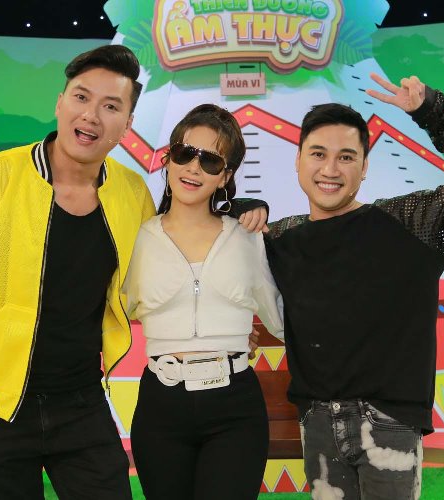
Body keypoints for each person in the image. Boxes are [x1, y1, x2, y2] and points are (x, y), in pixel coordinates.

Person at [0, 45, 267, 499]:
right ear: (60, 102)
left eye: (111, 106)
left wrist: (221, 324)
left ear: (127, 124)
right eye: (81, 97)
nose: (91, 115)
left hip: (83, 403)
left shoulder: (131, 194)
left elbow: (168, 259)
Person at [264, 74, 444, 499]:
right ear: (298, 160)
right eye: (318, 154)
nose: (330, 170)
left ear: (364, 167)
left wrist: (433, 112)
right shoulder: (281, 238)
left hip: (389, 424)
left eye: (346, 157)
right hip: (317, 424)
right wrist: (244, 206)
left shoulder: (410, 224)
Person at [124, 104, 284, 500]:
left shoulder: (248, 236)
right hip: (160, 406)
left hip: (235, 407)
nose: (193, 168)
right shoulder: (135, 238)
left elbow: (281, 320)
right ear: (168, 158)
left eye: (210, 161)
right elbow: (112, 310)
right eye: (184, 153)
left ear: (225, 176)